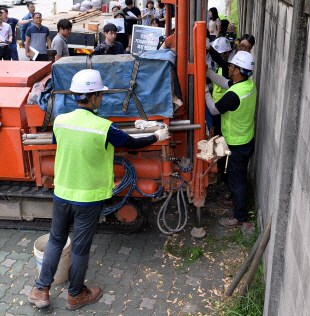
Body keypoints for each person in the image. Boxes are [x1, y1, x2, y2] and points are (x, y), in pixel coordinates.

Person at [28, 69, 169, 310]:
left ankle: (41, 290)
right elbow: (132, 145)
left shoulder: (59, 120)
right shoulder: (105, 127)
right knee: (80, 247)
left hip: (62, 193)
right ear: (93, 97)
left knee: (56, 240)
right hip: (89, 198)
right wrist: (157, 135)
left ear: (76, 96)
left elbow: (60, 143)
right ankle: (75, 296)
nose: (101, 99)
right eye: (100, 95)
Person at [204, 52, 257, 228]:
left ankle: (239, 217)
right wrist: (209, 73)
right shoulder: (247, 84)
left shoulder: (235, 95)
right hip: (245, 138)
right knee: (236, 177)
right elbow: (226, 83)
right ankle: (235, 202)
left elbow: (213, 109)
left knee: (237, 180)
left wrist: (205, 90)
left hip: (238, 143)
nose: (229, 68)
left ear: (237, 70)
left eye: (231, 66)